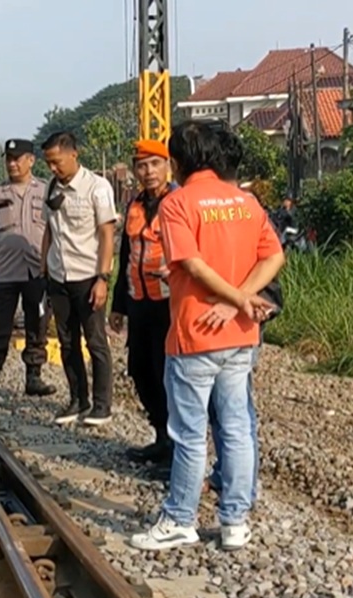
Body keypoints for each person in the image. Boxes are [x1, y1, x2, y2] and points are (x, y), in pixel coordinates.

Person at [128, 120, 284, 553]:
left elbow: (193, 264)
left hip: (195, 334)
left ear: (178, 161)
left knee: (190, 433)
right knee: (235, 428)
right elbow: (274, 256)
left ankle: (180, 518)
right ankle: (234, 521)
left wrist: (230, 297)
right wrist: (241, 302)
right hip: (241, 335)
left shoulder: (179, 203)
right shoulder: (245, 201)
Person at [205, 124, 283, 504]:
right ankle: (229, 476)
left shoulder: (244, 208)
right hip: (227, 325)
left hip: (237, 326)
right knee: (226, 413)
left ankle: (244, 488)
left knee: (235, 413)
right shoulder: (240, 207)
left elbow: (271, 264)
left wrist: (234, 301)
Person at [0, 139, 57, 404]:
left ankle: (34, 377)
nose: (12, 164)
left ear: (31, 161)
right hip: (4, 272)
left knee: (37, 324)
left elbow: (59, 228)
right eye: (9, 159)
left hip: (38, 270)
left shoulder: (46, 191)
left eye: (18, 158)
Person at [40, 131, 117, 426]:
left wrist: (103, 278)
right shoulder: (51, 187)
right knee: (67, 341)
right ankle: (77, 399)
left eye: (57, 162)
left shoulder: (97, 188)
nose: (53, 169)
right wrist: (44, 264)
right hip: (59, 275)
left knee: (96, 341)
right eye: (48, 163)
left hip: (88, 276)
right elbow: (49, 228)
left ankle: (102, 404)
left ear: (74, 154)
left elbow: (107, 234)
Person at [110, 139, 178, 470]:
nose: (148, 171)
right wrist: (118, 304)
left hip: (170, 303)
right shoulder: (135, 205)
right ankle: (161, 435)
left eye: (154, 164)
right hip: (139, 300)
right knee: (140, 369)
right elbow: (126, 255)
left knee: (167, 373)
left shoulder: (178, 203)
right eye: (142, 165)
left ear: (168, 166)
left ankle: (178, 449)